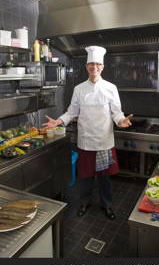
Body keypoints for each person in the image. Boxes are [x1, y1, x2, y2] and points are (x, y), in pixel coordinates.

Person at [43, 46, 133, 220]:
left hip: (104, 140)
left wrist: (121, 121)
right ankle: (85, 202)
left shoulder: (110, 88)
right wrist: (58, 121)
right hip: (85, 140)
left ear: (102, 67)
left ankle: (107, 205)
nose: (94, 67)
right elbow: (71, 112)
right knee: (85, 176)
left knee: (105, 178)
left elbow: (116, 112)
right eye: (91, 64)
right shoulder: (79, 89)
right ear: (86, 67)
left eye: (97, 64)